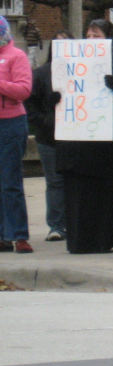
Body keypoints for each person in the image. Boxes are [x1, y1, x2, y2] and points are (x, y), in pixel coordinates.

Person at [57, 19, 113, 254]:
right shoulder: (75, 62)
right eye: (89, 36)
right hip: (86, 139)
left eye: (97, 36)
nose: (92, 40)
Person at [26, 32, 69, 241]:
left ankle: (73, 222)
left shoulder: (81, 72)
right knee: (54, 182)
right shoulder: (41, 74)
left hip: (75, 136)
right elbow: (30, 104)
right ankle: (57, 224)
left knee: (73, 181)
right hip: (48, 136)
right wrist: (44, 120)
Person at [0, 15, 33, 254]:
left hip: (11, 123)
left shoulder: (16, 56)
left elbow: (23, 89)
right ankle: (2, 235)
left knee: (10, 181)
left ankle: (19, 235)